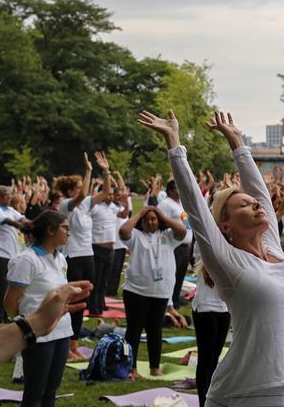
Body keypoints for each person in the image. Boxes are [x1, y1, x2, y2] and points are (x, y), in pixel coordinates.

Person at [139, 109, 284, 407]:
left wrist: (237, 142)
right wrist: (175, 144)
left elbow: (261, 193)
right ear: (226, 226)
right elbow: (194, 205)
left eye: (253, 202)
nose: (256, 204)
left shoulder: (275, 248)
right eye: (243, 204)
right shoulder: (228, 262)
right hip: (236, 403)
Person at [4, 211, 73, 407]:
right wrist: (24, 325)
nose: (68, 233)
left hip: (62, 331)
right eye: (65, 228)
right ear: (51, 230)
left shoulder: (60, 257)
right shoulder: (26, 260)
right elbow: (10, 301)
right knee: (35, 393)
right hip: (37, 334)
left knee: (50, 393)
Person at [0, 281, 92, 380]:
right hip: (39, 339)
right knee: (36, 391)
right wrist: (36, 322)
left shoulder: (59, 259)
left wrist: (37, 322)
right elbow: (9, 301)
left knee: (49, 390)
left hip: (51, 332)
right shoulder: (27, 260)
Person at [118, 204, 187, 377]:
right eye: (147, 219)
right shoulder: (136, 235)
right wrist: (140, 212)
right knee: (134, 330)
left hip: (160, 292)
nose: (150, 222)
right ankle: (131, 368)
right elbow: (123, 231)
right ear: (142, 221)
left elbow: (182, 231)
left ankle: (154, 367)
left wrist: (163, 216)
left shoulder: (168, 236)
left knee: (155, 331)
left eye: (153, 219)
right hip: (136, 291)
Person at [55, 154, 98, 361]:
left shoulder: (84, 207)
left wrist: (105, 172)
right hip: (72, 257)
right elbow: (83, 195)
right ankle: (65, 344)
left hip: (87, 255)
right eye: (79, 186)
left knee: (83, 301)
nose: (83, 189)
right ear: (71, 191)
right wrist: (89, 170)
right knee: (71, 302)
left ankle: (74, 345)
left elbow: (106, 192)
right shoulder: (66, 205)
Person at [0, 185, 30, 323]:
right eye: (6, 196)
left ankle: (6, 316)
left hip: (12, 253)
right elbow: (10, 222)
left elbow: (22, 219)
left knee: (9, 286)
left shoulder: (9, 209)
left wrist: (34, 225)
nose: (10, 198)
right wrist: (26, 228)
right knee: (2, 287)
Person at [192, 242, 231, 407]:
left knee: (215, 358)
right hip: (205, 307)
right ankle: (202, 405)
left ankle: (211, 401)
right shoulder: (204, 246)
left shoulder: (233, 246)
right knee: (206, 358)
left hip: (224, 308)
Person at [87, 152, 123, 315]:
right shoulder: (94, 207)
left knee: (104, 280)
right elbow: (88, 198)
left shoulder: (113, 207)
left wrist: (125, 200)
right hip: (97, 248)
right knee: (96, 279)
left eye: (111, 194)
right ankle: (93, 306)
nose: (110, 196)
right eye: (107, 193)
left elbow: (123, 214)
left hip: (111, 249)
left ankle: (101, 303)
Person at [157, 179, 192, 309]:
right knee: (172, 275)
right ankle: (167, 302)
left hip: (185, 246)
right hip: (174, 246)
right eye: (177, 188)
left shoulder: (180, 203)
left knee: (180, 276)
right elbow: (161, 225)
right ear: (170, 190)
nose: (180, 190)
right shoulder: (166, 204)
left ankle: (175, 300)